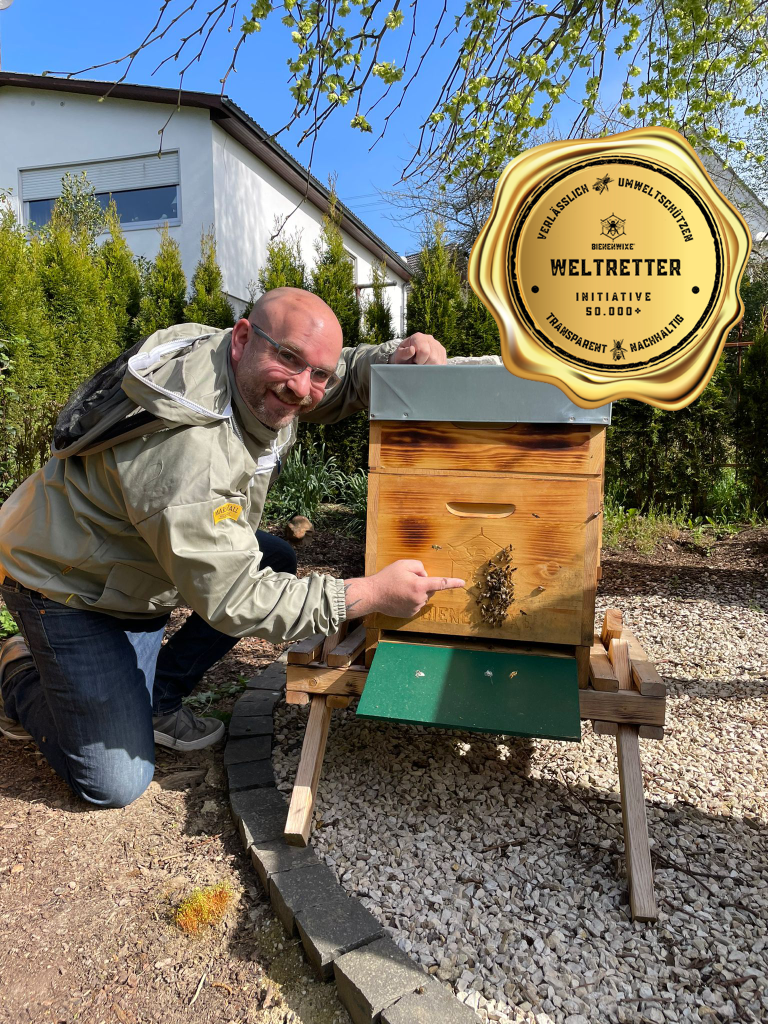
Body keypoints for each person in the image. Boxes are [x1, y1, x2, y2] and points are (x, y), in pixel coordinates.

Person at [0, 287, 464, 807]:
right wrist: (367, 594)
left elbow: (329, 379)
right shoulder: (186, 451)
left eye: (317, 372)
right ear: (243, 338)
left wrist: (393, 358)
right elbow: (235, 597)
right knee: (114, 783)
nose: (302, 388)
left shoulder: (240, 369)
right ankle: (17, 670)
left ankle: (155, 699)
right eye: (290, 360)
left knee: (276, 557)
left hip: (134, 561)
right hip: (66, 583)